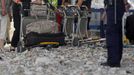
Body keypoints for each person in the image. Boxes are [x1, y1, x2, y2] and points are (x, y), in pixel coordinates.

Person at [101, 0, 130, 67]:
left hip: (114, 6)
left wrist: (125, 3)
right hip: (113, 6)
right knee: (115, 32)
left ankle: (113, 61)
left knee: (112, 33)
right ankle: (114, 59)